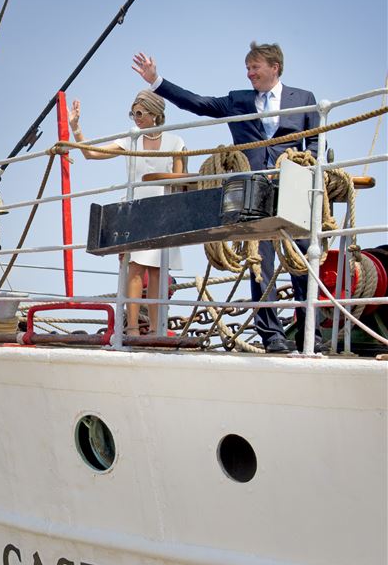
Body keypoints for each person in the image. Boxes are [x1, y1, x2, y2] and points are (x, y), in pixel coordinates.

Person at [132, 42, 324, 353]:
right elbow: (198, 103)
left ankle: (310, 334)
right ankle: (272, 335)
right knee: (260, 261)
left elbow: (314, 141)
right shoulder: (238, 100)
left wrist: (309, 168)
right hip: (253, 187)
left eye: (255, 67)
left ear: (274, 67)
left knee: (301, 258)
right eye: (247, 68)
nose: (249, 73)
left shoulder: (303, 99)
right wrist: (157, 81)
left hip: (292, 185)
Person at [69, 90, 186, 336]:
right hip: (137, 210)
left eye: (140, 113)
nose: (136, 118)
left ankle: (155, 329)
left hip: (164, 210)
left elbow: (180, 180)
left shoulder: (176, 142)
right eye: (133, 113)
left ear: (155, 114)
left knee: (158, 271)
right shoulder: (131, 139)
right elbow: (92, 154)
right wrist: (76, 128)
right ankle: (132, 328)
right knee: (135, 268)